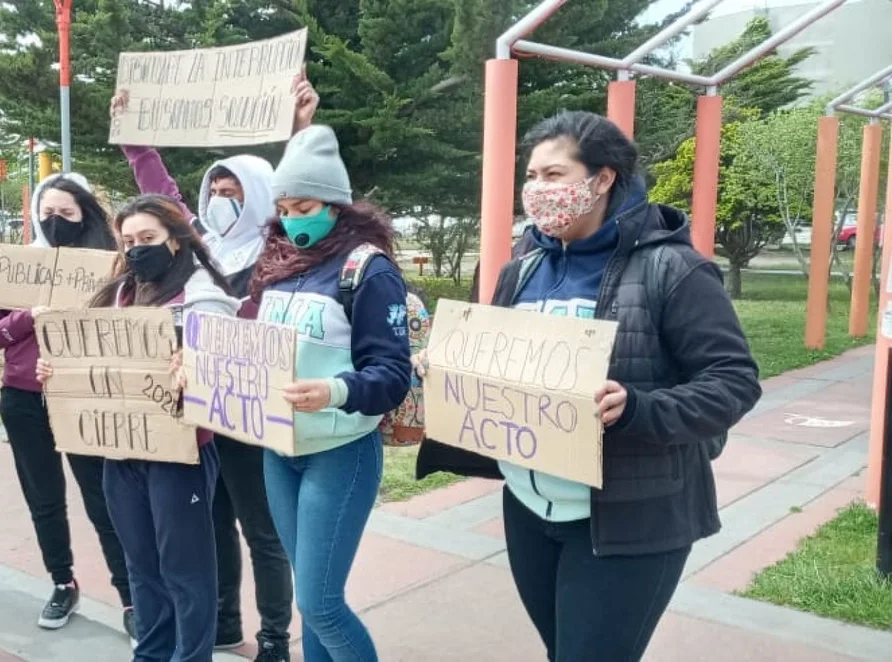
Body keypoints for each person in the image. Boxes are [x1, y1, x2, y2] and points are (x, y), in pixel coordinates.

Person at [414, 111, 763, 662]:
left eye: (554, 176)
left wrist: (637, 409)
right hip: (528, 507)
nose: (537, 191)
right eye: (531, 177)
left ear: (602, 179)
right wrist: (452, 366)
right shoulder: (522, 268)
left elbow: (734, 382)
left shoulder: (674, 269)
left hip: (629, 517)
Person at [105, 75, 322, 661]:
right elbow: (159, 196)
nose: (221, 196)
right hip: (190, 421)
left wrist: (300, 131)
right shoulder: (196, 246)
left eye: (234, 188)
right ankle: (224, 624)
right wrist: (134, 139)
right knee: (210, 527)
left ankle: (274, 634)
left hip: (247, 410)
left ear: (256, 193)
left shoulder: (278, 247)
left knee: (262, 529)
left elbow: (307, 194)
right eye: (214, 188)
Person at [38, 194, 239, 662]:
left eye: (147, 239)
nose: (135, 250)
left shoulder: (202, 297)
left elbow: (226, 374)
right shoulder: (117, 293)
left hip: (180, 455)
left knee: (184, 570)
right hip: (120, 453)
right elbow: (92, 363)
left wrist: (199, 367)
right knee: (141, 566)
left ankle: (192, 657)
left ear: (176, 240)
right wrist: (60, 374)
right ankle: (150, 654)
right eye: (127, 241)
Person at [250, 125, 413, 661]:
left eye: (306, 205)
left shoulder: (367, 270)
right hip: (280, 451)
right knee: (310, 601)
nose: (295, 218)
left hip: (339, 453)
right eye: (286, 208)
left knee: (321, 602)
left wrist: (336, 390)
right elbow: (248, 345)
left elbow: (392, 373)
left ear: (338, 206)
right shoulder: (278, 268)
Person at [0, 173, 136, 636]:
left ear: (85, 213)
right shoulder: (20, 267)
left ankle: (131, 596)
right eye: (47, 213)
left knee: (103, 500)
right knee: (44, 500)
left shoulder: (111, 267)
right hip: (23, 399)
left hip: (84, 399)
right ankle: (62, 581)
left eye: (66, 213)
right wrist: (30, 317)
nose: (56, 222)